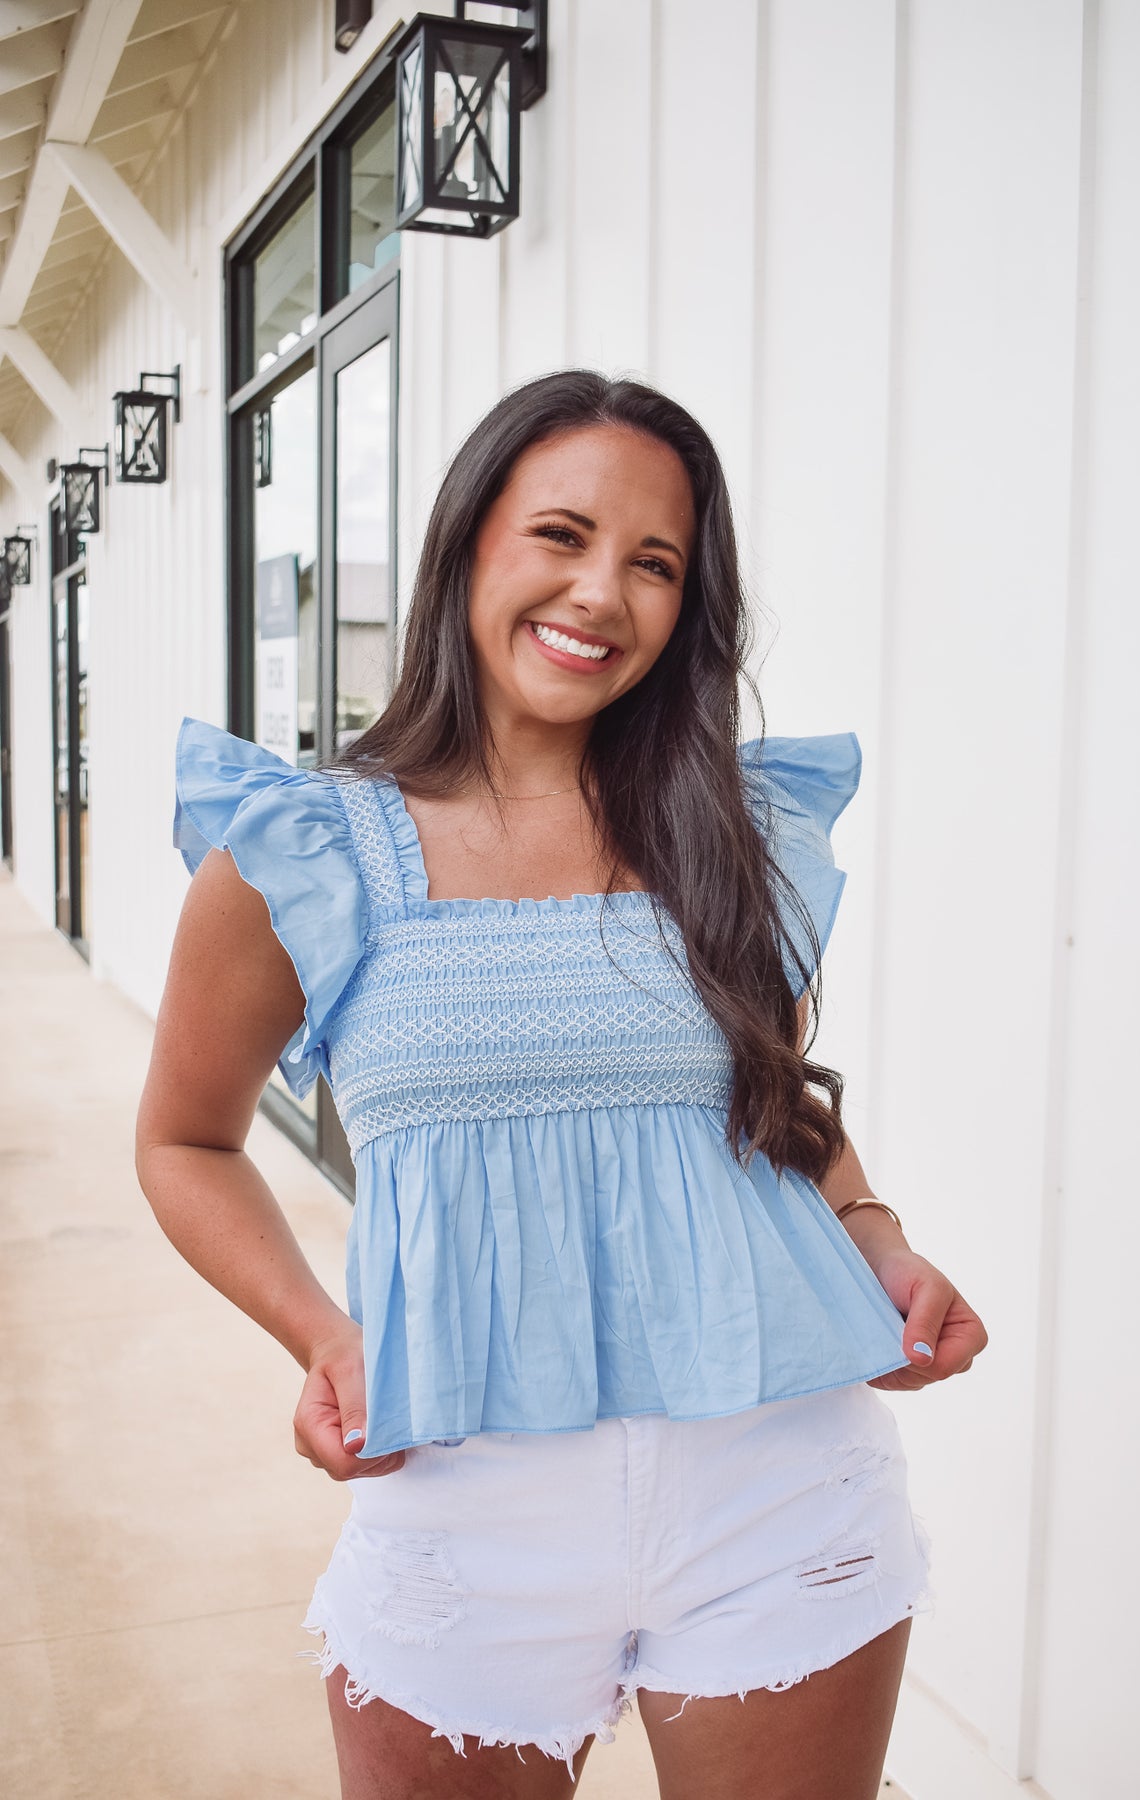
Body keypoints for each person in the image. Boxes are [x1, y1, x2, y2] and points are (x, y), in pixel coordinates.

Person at [136, 370, 987, 1800]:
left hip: (780, 1485)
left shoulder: (731, 831)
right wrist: (319, 1336)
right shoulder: (299, 847)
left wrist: (878, 1239)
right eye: (562, 535)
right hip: (462, 1501)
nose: (603, 593)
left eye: (655, 564)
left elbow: (768, 1107)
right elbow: (182, 1140)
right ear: (470, 543)